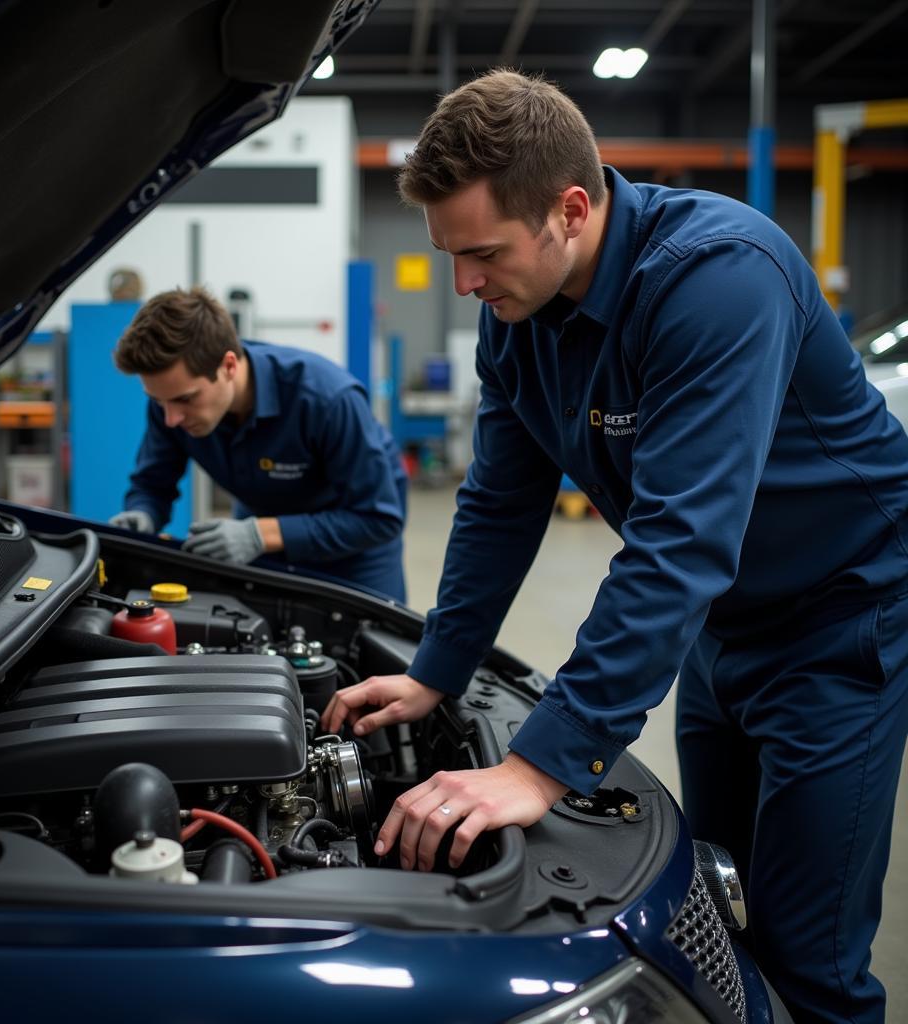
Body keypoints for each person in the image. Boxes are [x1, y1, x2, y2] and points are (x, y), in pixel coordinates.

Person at [321, 69, 908, 1023]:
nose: (464, 282)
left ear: (572, 209)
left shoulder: (720, 279)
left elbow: (679, 542)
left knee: (809, 958)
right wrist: (437, 667)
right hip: (719, 630)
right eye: (450, 255)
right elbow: (499, 501)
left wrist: (543, 764)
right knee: (717, 912)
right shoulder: (515, 316)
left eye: (481, 253)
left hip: (839, 626)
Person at [110, 286, 408, 601]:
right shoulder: (171, 404)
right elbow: (153, 485)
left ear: (228, 366)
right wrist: (143, 514)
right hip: (258, 536)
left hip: (354, 554)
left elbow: (378, 518)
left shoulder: (326, 400)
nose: (171, 418)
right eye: (159, 401)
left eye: (185, 399)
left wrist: (261, 534)